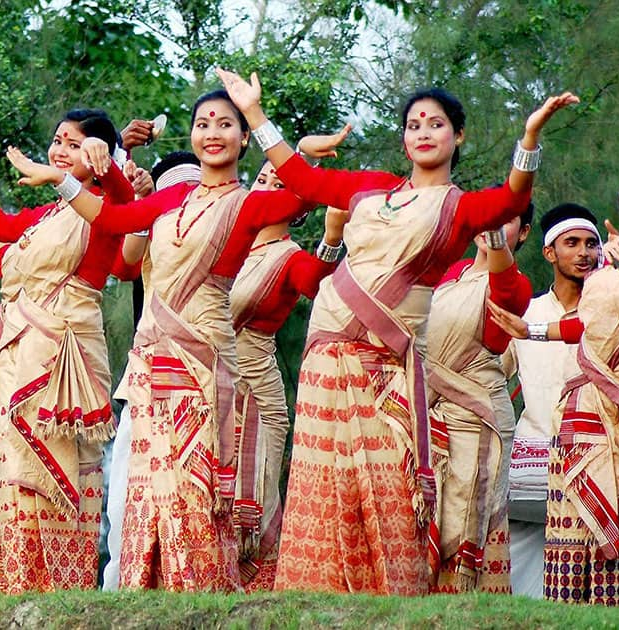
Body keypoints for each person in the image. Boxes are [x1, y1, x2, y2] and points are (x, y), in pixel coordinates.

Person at [216, 67, 577, 594]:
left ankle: (395, 597)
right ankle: (317, 597)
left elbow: (511, 201)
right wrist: (253, 113)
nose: (423, 132)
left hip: (386, 367)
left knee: (389, 483)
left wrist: (529, 137)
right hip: (326, 355)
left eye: (436, 124)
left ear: (458, 135)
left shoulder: (459, 207)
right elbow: (302, 179)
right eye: (413, 124)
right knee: (325, 481)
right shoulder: (368, 189)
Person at [2, 90, 339, 591]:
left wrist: (276, 130)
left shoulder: (247, 204)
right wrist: (63, 178)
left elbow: (303, 194)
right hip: (151, 362)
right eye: (203, 123)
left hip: (203, 361)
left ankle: (203, 597)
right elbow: (114, 219)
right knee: (148, 491)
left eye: (226, 124)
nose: (212, 133)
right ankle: (148, 597)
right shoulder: (172, 198)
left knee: (197, 492)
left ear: (243, 138)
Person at [0, 110, 135, 593]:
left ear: (98, 154)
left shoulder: (105, 207)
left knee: (43, 469)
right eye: (57, 140)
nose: (59, 150)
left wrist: (110, 168)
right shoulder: (48, 216)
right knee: (1, 474)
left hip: (61, 356)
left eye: (74, 143)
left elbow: (124, 200)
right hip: (9, 350)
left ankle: (50, 591)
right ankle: (2, 591)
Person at [488, 154, 619, 605]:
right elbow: (586, 327)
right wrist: (528, 330)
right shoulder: (600, 279)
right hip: (566, 433)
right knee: (560, 550)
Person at [231, 162, 347, 591]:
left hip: (254, 390)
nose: (264, 188)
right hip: (205, 386)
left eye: (278, 184)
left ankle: (259, 606)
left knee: (253, 506)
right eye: (259, 179)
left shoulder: (290, 256)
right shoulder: (226, 245)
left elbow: (317, 284)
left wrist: (332, 239)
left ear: (297, 207)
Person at [102, 151, 202, 591]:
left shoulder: (221, 239)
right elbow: (121, 264)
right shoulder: (148, 237)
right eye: (172, 193)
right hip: (146, 380)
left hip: (205, 386)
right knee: (126, 498)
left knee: (195, 499)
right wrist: (143, 202)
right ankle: (123, 586)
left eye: (192, 192)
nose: (182, 202)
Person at [425, 203, 533, 593]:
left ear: (523, 235)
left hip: (478, 417)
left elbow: (503, 286)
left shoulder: (513, 286)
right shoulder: (451, 275)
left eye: (506, 220)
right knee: (426, 512)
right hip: (430, 413)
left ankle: (464, 608)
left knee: (466, 515)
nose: (492, 227)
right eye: (488, 218)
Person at [502, 203, 600, 598]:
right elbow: (491, 373)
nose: (584, 253)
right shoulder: (526, 313)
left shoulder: (610, 311)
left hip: (594, 457)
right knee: (520, 560)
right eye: (572, 243)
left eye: (591, 244)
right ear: (549, 252)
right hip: (533, 458)